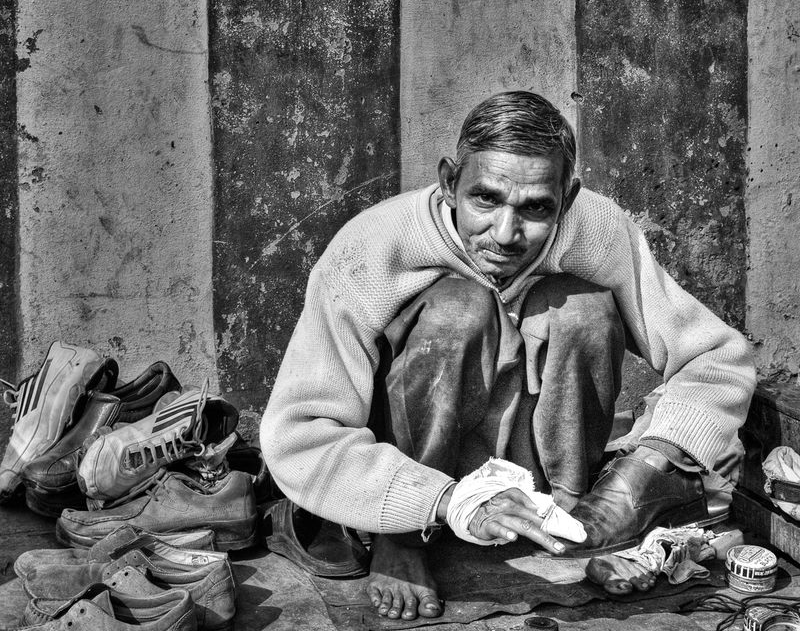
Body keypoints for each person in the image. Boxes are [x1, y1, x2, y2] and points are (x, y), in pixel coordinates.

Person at [261, 91, 756, 620]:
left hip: (539, 486)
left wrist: (650, 461)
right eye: (486, 199)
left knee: (581, 307)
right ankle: (402, 539)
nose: (505, 233)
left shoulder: (596, 229)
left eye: (535, 208)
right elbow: (300, 430)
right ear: (450, 181)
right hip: (417, 480)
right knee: (458, 309)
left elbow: (717, 358)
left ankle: (567, 507)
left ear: (566, 199)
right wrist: (438, 502)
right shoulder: (373, 247)